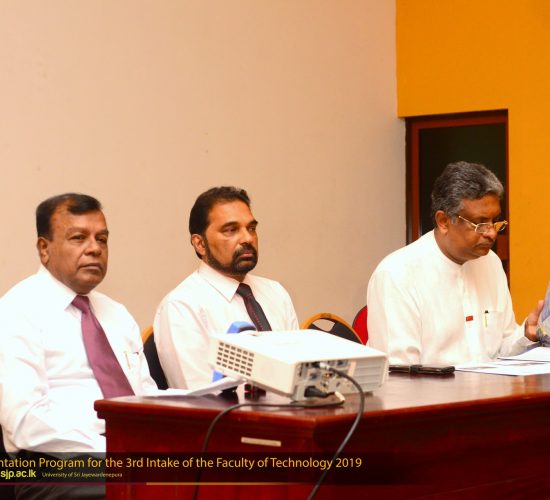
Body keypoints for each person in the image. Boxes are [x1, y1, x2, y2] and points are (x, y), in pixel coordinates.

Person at [0, 193, 156, 499]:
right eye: (78, 238)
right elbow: (25, 422)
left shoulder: (116, 314)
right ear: (44, 249)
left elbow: (146, 397)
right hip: (51, 466)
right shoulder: (16, 311)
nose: (95, 248)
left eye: (102, 239)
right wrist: (112, 452)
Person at [367, 161, 542, 365]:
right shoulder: (397, 275)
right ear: (444, 221)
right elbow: (398, 371)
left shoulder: (491, 263)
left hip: (491, 385)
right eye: (480, 223)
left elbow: (501, 349)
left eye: (495, 221)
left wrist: (527, 335)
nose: (492, 233)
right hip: (432, 387)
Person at [154, 186, 299, 390]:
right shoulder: (182, 306)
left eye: (251, 228)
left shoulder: (276, 293)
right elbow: (200, 397)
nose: (247, 238)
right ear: (200, 244)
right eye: (231, 230)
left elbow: (298, 376)